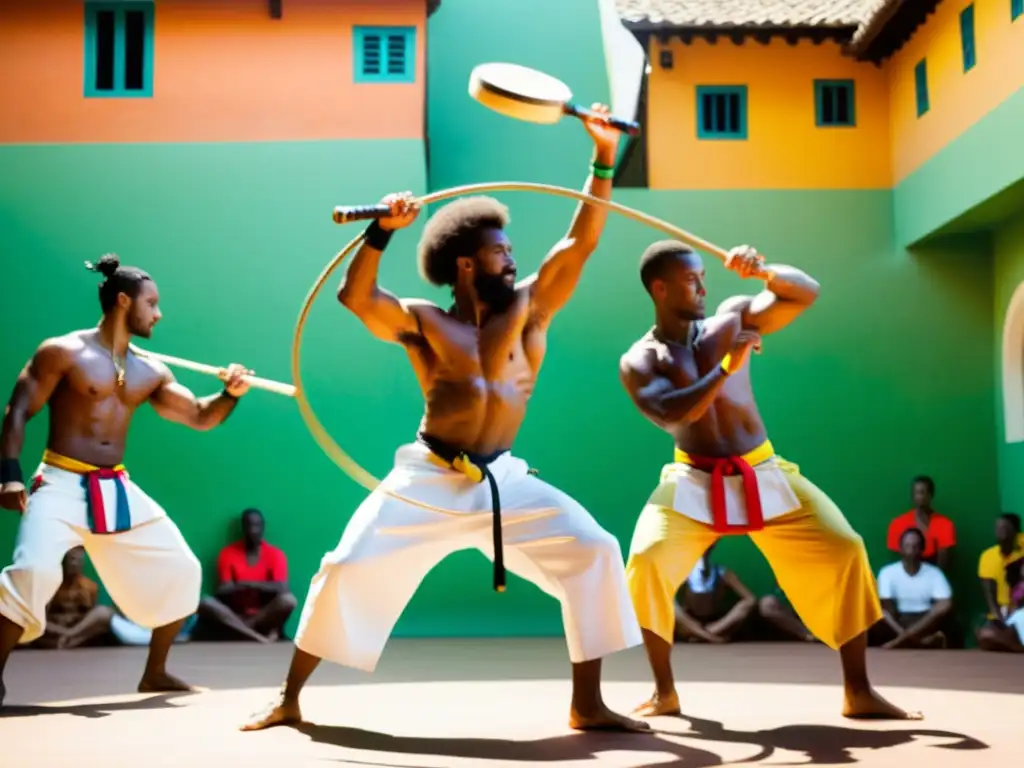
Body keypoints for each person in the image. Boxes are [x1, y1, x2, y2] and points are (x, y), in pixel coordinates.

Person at [242, 106, 648, 734]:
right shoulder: (425, 323)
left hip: (503, 480)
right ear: (465, 264)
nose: (512, 259)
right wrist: (382, 231)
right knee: (347, 567)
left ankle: (587, 703)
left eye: (512, 250)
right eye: (498, 252)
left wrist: (600, 158)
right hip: (429, 476)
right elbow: (356, 298)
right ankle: (290, 698)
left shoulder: (530, 312)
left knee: (594, 549)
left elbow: (580, 243)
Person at [619, 240, 919, 720]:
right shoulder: (640, 359)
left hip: (761, 467)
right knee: (647, 561)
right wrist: (725, 367)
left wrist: (763, 272)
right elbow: (676, 413)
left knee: (845, 547)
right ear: (659, 287)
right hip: (692, 476)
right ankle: (664, 691)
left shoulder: (732, 319)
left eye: (703, 275)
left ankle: (858, 690)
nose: (702, 285)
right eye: (690, 279)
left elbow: (804, 292)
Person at [0, 254, 251, 706]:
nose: (158, 313)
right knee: (33, 572)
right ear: (122, 301)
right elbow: (18, 408)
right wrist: (9, 475)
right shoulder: (62, 351)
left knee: (183, 568)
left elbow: (198, 415)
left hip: (114, 488)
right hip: (59, 482)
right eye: (151, 304)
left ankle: (155, 673)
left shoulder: (149, 370)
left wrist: (229, 395)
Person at [198, 507, 297, 643]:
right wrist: (259, 586)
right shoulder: (227, 553)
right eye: (249, 525)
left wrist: (246, 584)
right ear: (243, 528)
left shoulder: (275, 554)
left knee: (289, 600)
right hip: (235, 615)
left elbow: (282, 588)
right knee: (205, 602)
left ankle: (244, 631)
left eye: (257, 525)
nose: (253, 530)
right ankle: (257, 637)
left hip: (263, 615)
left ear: (263, 527)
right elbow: (222, 589)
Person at [874, 528, 953, 649]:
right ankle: (919, 641)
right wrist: (902, 631)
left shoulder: (934, 573)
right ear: (900, 549)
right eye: (907, 546)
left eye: (915, 546)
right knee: (879, 611)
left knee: (944, 607)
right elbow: (886, 606)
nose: (911, 550)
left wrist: (909, 632)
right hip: (898, 620)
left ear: (922, 549)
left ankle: (903, 640)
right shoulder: (887, 572)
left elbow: (945, 603)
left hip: (925, 621)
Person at [673, 542, 756, 643]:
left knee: (746, 605)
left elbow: (750, 599)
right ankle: (708, 636)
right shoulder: (683, 571)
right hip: (690, 623)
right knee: (670, 605)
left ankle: (703, 635)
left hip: (717, 623)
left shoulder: (722, 572)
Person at [975, 512, 1024, 652]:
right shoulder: (988, 556)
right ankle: (1015, 645)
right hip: (1002, 614)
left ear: (1016, 532)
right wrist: (998, 617)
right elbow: (989, 593)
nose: (1000, 531)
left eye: (1005, 527)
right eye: (997, 527)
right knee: (984, 634)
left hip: (1020, 610)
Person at [885, 476, 955, 572]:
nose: (918, 497)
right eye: (915, 493)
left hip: (933, 575)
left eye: (922, 493)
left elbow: (943, 563)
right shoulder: (897, 524)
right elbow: (896, 562)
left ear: (931, 495)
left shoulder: (945, 524)